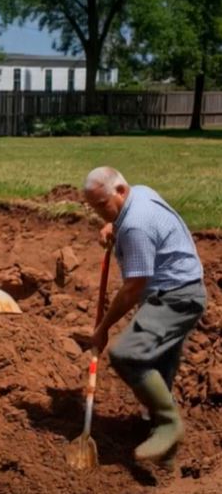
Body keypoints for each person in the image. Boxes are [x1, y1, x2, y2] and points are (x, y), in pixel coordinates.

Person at [83, 167, 206, 463]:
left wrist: (103, 327)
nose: (100, 213)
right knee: (158, 366)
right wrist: (113, 223)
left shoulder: (136, 225)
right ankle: (165, 448)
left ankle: (168, 423)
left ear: (121, 191)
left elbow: (132, 289)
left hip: (175, 298)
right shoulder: (140, 195)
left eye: (103, 206)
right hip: (182, 288)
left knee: (128, 354)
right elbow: (129, 219)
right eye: (94, 207)